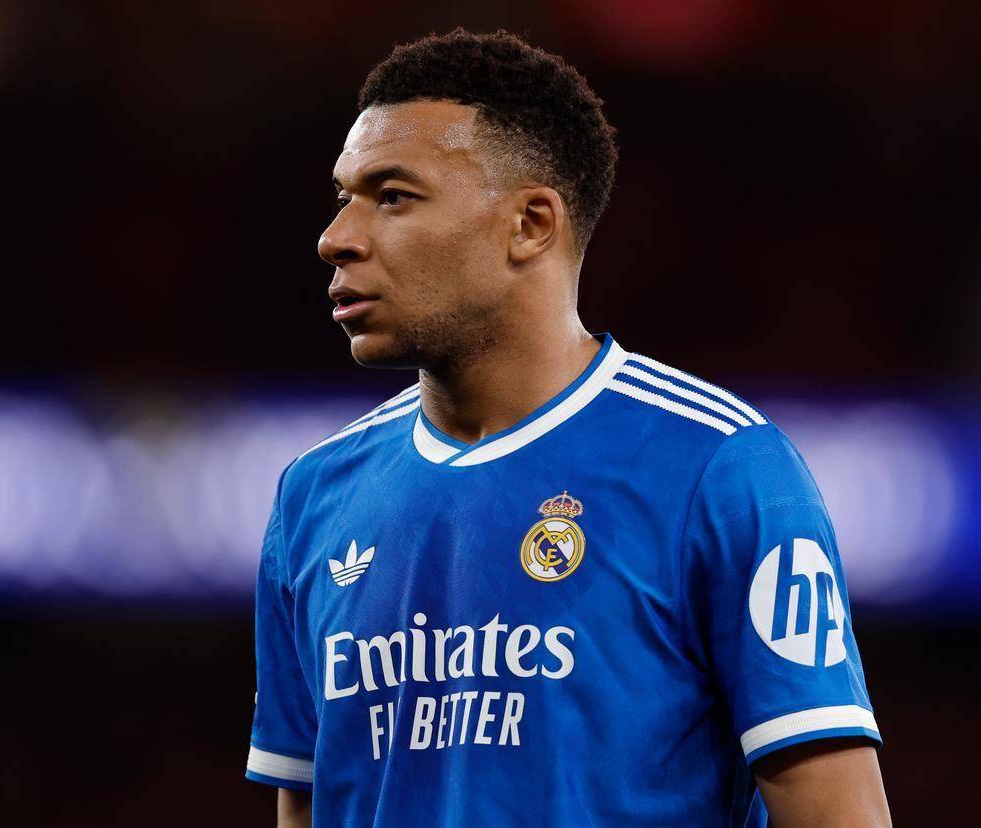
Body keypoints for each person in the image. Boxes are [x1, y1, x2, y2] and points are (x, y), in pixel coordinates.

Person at [245, 28, 891, 827]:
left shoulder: (717, 468)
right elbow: (306, 808)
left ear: (530, 224)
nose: (336, 237)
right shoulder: (313, 496)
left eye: (393, 196)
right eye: (344, 197)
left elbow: (838, 813)